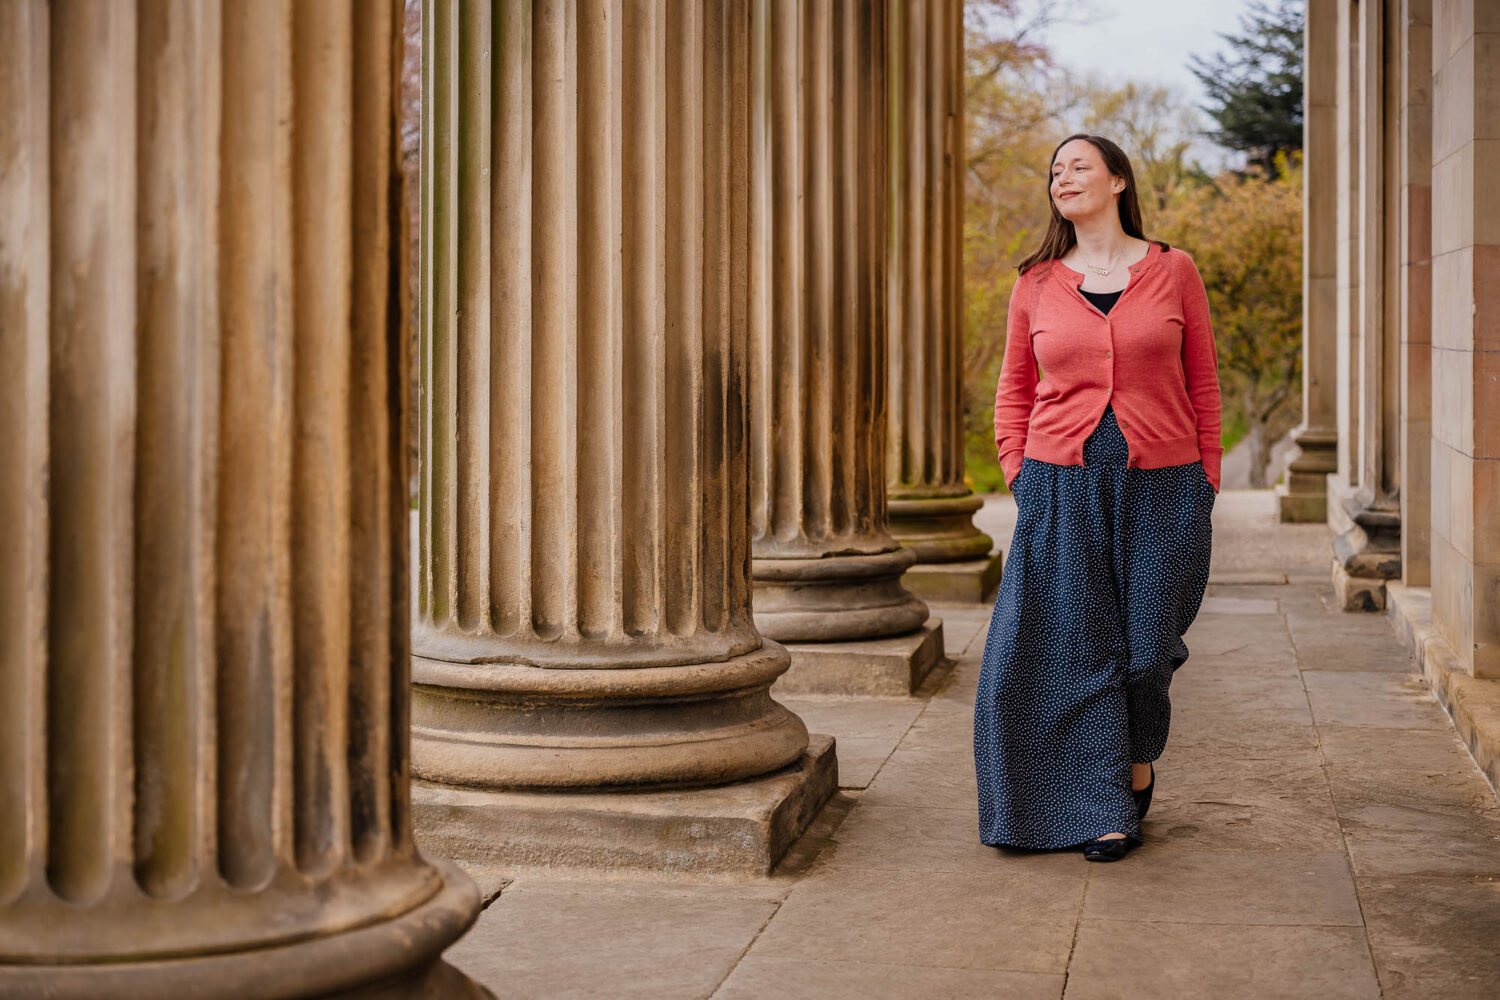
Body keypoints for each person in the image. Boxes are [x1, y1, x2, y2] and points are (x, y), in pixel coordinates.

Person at [972, 133, 1221, 862]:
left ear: (1117, 179)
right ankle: (1104, 806)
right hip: (1060, 484)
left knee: (1147, 652)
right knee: (1075, 652)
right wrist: (1018, 470)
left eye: (1079, 165)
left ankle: (1138, 760)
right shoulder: (1037, 283)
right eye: (1054, 171)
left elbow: (1203, 380)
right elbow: (1014, 390)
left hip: (1164, 487)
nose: (1063, 177)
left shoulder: (1174, 270)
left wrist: (1206, 477)